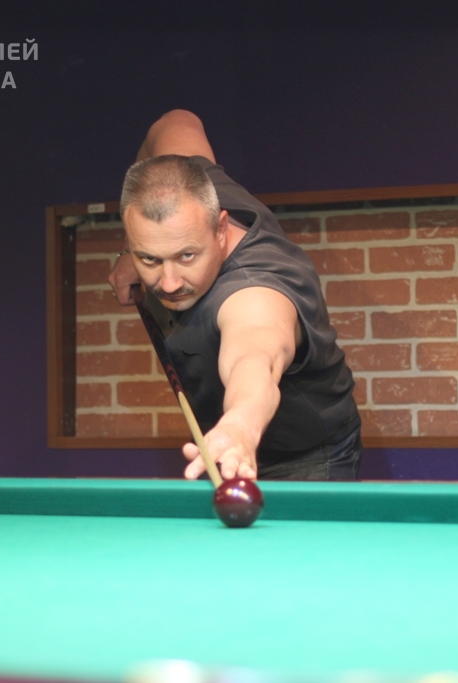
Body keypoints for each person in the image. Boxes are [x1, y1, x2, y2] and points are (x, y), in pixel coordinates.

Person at [109, 110, 361, 481]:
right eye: (151, 258)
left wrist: (240, 425)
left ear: (221, 228)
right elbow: (176, 121)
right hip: (224, 441)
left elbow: (255, 357)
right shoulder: (187, 180)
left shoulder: (254, 292)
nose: (169, 283)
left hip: (306, 454)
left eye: (186, 255)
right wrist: (130, 249)